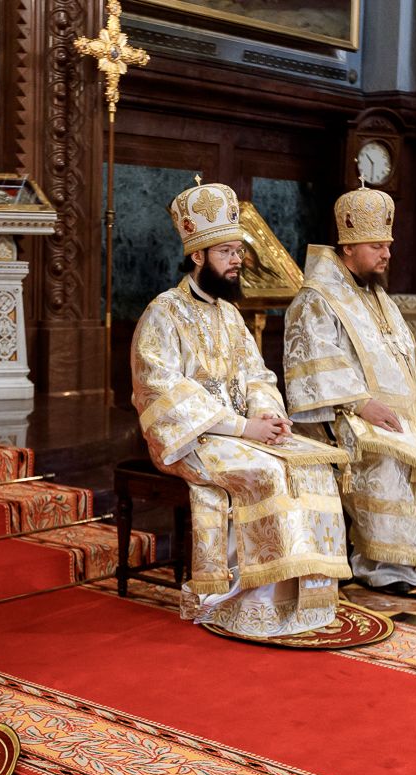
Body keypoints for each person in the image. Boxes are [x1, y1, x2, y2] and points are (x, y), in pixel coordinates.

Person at [130, 178, 349, 638]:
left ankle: (302, 596)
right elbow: (160, 391)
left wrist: (266, 413)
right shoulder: (163, 313)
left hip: (242, 430)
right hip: (191, 438)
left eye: (238, 251)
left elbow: (257, 374)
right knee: (266, 472)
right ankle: (244, 601)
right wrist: (241, 427)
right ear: (198, 256)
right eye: (227, 252)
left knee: (311, 465)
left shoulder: (230, 315)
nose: (237, 261)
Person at [283, 183, 416, 593]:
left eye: (388, 245)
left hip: (401, 408)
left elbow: (407, 353)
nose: (387, 254)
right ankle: (386, 561)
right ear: (348, 247)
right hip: (340, 414)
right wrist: (360, 404)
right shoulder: (317, 299)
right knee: (392, 451)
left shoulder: (378, 296)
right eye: (377, 246)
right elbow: (312, 364)